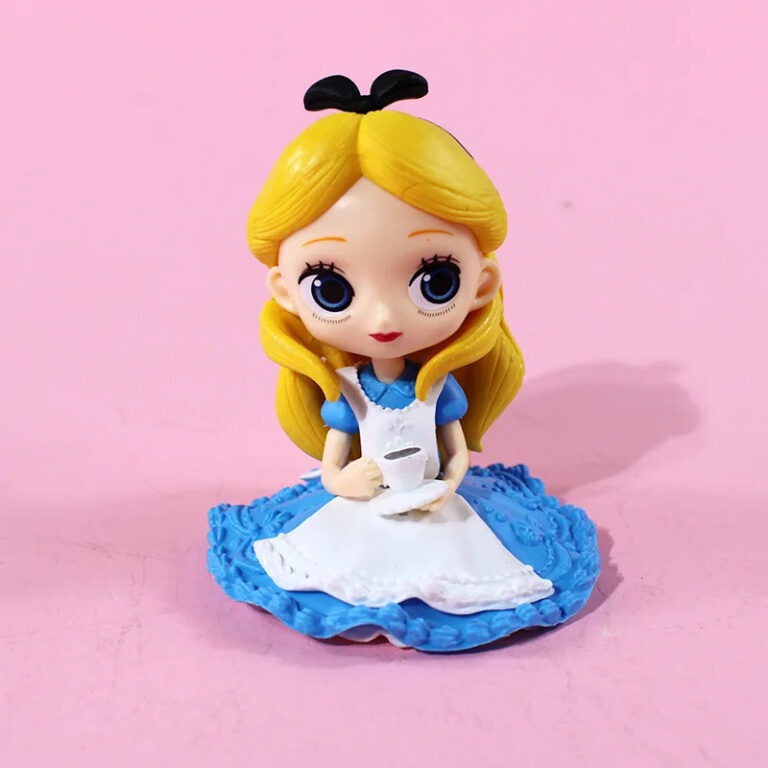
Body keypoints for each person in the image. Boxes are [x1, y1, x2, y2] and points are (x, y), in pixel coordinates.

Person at [207, 71, 599, 652]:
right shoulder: (347, 390)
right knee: (345, 567)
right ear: (285, 291)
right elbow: (335, 462)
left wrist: (450, 482)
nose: (383, 317)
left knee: (465, 566)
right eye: (332, 288)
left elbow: (455, 449)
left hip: (434, 503)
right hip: (366, 507)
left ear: (482, 282)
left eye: (435, 280)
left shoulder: (438, 388)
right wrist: (343, 480)